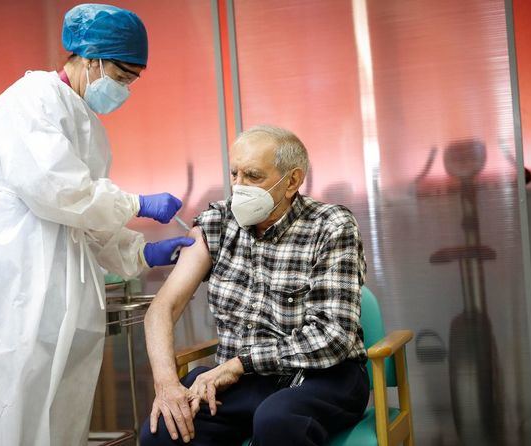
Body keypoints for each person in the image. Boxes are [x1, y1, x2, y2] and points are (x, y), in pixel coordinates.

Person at [0, 4, 194, 445]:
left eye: (130, 82)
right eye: (120, 77)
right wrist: (136, 202)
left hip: (49, 293)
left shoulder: (84, 119)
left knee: (54, 419)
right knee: (0, 417)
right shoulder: (33, 101)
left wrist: (139, 251)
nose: (123, 90)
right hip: (3, 284)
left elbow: (80, 217)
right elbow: (58, 192)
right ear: (90, 58)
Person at [141, 125, 370, 445]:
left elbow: (332, 337)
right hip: (243, 381)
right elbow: (162, 309)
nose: (239, 187)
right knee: (165, 430)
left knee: (277, 422)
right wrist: (168, 386)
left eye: (253, 176)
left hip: (323, 376)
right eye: (234, 174)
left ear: (292, 181)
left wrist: (240, 364)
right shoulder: (217, 223)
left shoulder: (331, 226)